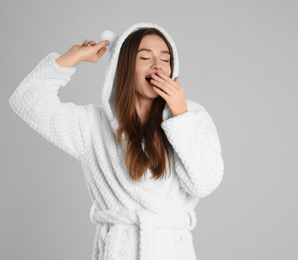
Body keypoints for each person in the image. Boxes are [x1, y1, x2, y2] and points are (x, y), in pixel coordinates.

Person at [9, 22, 224, 260]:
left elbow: (204, 183)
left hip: (172, 251)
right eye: (145, 57)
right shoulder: (92, 125)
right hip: (118, 251)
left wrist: (180, 116)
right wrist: (74, 56)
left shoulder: (190, 117)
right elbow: (27, 101)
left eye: (165, 59)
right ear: (123, 66)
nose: (157, 65)